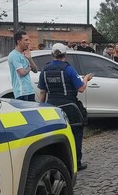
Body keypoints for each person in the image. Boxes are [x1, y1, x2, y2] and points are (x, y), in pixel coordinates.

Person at [37, 43, 93, 171]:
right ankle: (76, 162)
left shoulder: (45, 70)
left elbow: (42, 92)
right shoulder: (69, 70)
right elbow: (81, 88)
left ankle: (56, 162)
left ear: (52, 55)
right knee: (76, 133)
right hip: (69, 106)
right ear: (65, 55)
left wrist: (41, 108)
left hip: (51, 107)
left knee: (54, 135)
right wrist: (86, 78)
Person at [8, 31, 38, 101]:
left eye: (29, 40)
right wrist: (29, 67)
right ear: (19, 41)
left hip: (30, 90)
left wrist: (30, 59)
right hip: (21, 92)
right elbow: (22, 73)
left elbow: (36, 70)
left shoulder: (25, 54)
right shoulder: (14, 55)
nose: (29, 42)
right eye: (26, 40)